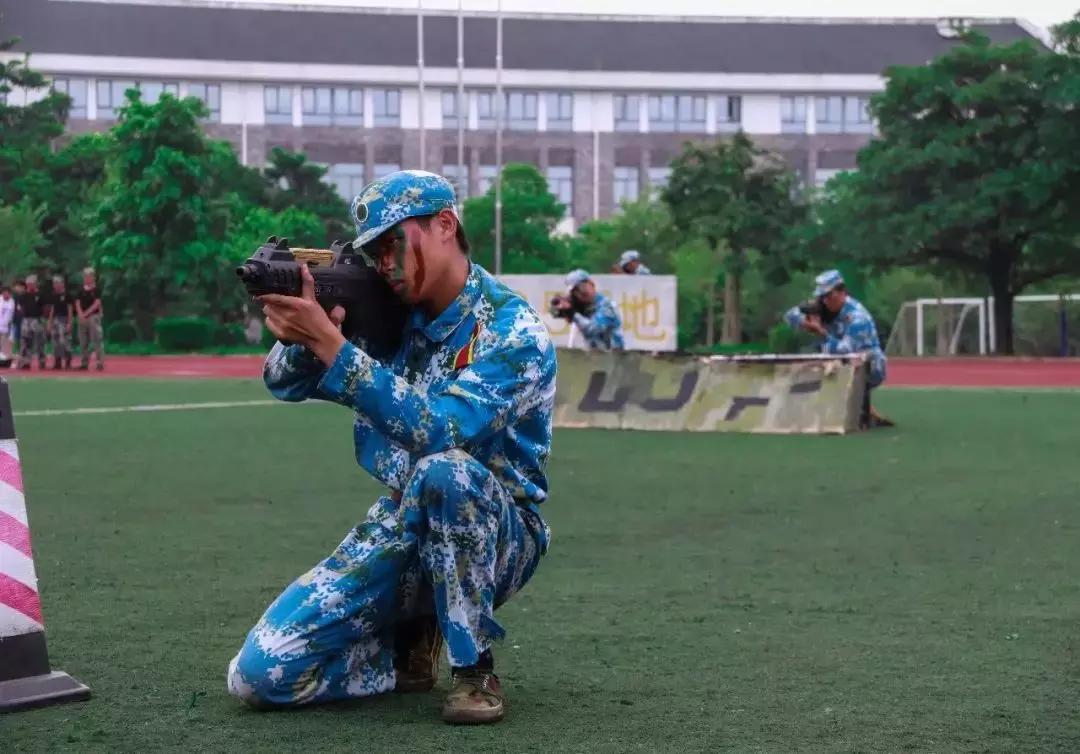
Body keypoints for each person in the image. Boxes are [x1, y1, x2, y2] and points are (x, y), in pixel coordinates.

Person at [226, 170, 557, 726]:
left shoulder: (511, 331)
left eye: (390, 245)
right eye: (371, 252)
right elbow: (282, 383)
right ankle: (406, 654)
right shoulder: (387, 314)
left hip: (498, 533)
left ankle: (474, 669)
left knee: (448, 474)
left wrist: (334, 345)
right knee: (258, 677)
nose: (381, 263)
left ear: (444, 225)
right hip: (404, 516)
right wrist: (305, 335)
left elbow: (439, 433)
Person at [784, 269, 891, 428]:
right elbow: (789, 315)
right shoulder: (822, 307)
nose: (825, 301)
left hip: (868, 365)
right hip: (837, 360)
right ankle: (863, 409)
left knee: (851, 363)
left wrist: (821, 333)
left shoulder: (857, 317)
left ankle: (862, 407)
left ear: (842, 292)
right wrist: (805, 322)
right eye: (822, 297)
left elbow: (844, 351)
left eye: (829, 296)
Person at [553, 269, 625, 351]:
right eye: (575, 292)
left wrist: (573, 314)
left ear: (592, 284)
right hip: (594, 358)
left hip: (614, 357)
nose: (580, 293)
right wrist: (566, 313)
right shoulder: (585, 308)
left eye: (583, 288)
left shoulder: (607, 306)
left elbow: (593, 329)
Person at [75, 267, 105, 371]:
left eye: (88, 276)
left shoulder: (96, 289)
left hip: (93, 317)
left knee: (97, 340)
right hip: (82, 318)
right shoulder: (81, 289)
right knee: (83, 341)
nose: (86, 278)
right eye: (85, 276)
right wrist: (80, 314)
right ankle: (84, 362)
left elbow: (97, 304)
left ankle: (99, 363)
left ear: (93, 277)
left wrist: (86, 314)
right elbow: (77, 302)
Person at [16, 275, 47, 370]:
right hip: (26, 320)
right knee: (25, 342)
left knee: (40, 342)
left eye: (32, 284)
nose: (30, 286)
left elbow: (45, 308)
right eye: (28, 284)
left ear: (35, 284)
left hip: (37, 319)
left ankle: (41, 361)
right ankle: (25, 362)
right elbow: (19, 307)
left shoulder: (40, 295)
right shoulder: (23, 295)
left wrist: (43, 319)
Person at [47, 274, 74, 370]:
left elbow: (70, 309)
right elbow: (52, 310)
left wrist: (70, 322)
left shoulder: (67, 295)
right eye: (54, 283)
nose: (55, 285)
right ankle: (57, 361)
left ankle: (68, 361)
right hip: (55, 320)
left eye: (57, 283)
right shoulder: (54, 295)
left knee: (65, 341)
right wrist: (49, 322)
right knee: (56, 341)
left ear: (62, 284)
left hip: (64, 319)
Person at [0, 287, 14, 365]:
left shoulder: (13, 302)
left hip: (8, 326)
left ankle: (6, 361)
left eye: (7, 293)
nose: (5, 295)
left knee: (7, 345)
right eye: (4, 293)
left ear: (10, 293)